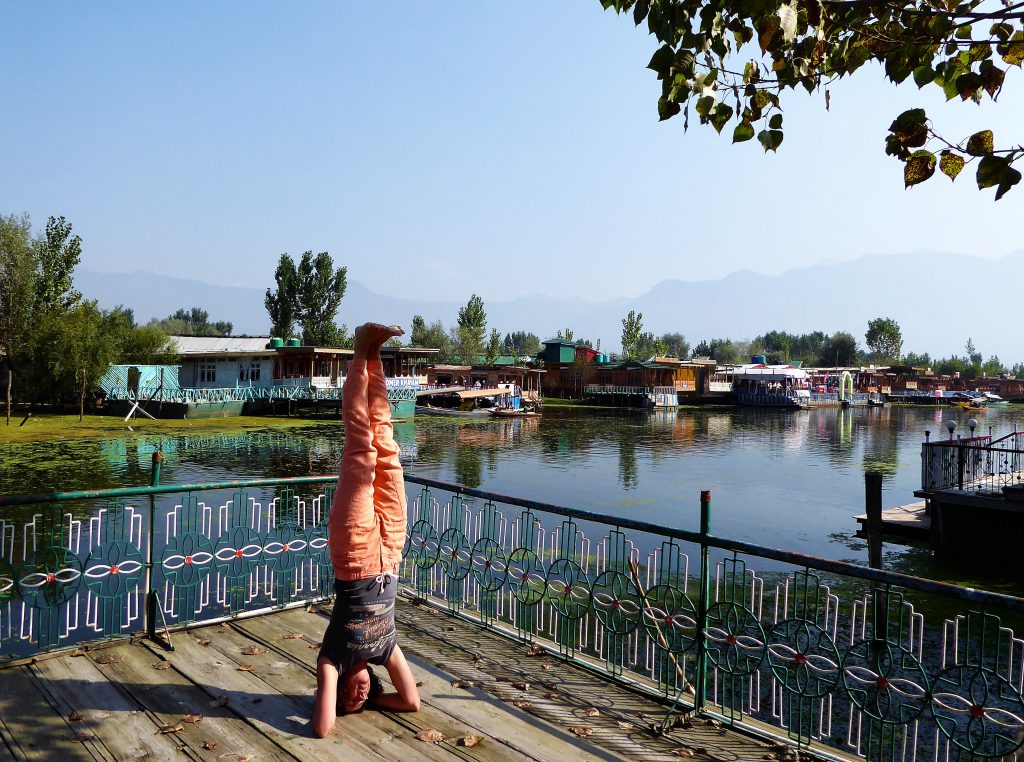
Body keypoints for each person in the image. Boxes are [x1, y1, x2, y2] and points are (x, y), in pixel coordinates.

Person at [312, 323, 421, 738]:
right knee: (388, 450)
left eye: (349, 699)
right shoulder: (385, 651)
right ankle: (374, 356)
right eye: (362, 698)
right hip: (391, 552)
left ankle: (360, 350)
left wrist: (333, 689)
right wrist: (376, 700)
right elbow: (410, 702)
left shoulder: (332, 659)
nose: (356, 696)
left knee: (362, 448)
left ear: (337, 691)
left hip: (355, 555)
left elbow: (323, 730)